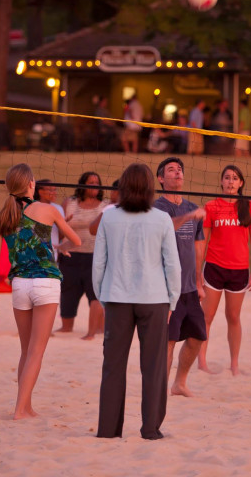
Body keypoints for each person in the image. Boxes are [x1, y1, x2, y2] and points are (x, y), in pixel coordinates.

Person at [0, 163, 81, 420]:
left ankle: (25, 406)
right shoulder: (47, 210)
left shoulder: (1, 216)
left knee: (26, 351)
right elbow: (78, 240)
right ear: (30, 184)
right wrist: (59, 246)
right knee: (36, 352)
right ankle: (19, 411)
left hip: (19, 286)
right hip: (45, 282)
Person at [93, 163, 181, 440]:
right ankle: (151, 429)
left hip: (117, 298)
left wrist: (103, 297)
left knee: (113, 366)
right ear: (151, 187)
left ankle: (108, 430)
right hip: (154, 300)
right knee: (154, 367)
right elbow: (172, 266)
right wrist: (172, 301)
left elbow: (99, 264)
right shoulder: (162, 218)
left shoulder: (109, 217)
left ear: (123, 187)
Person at [198, 165, 251, 376]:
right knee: (207, 316)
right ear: (221, 182)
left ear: (241, 183)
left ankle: (234, 364)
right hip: (214, 267)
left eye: (235, 178)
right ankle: (202, 361)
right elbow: (203, 241)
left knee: (233, 317)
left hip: (239, 269)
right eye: (227, 178)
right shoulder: (211, 206)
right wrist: (198, 271)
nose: (231, 182)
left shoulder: (250, 207)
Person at [154, 157, 208, 396]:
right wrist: (189, 217)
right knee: (168, 341)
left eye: (179, 169)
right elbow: (165, 227)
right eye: (171, 170)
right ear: (161, 179)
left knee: (197, 336)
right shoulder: (157, 208)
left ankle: (179, 383)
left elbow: (198, 246)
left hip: (189, 287)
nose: (177, 172)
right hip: (166, 287)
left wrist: (199, 280)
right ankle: (159, 389)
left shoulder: (191, 206)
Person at [57, 171, 109, 339]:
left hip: (95, 256)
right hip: (70, 256)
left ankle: (95, 330)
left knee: (96, 294)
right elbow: (59, 232)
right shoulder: (69, 203)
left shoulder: (105, 206)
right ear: (82, 185)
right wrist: (63, 224)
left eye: (97, 182)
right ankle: (66, 327)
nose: (94, 185)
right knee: (68, 293)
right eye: (90, 182)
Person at [33, 179, 65, 260]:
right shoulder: (32, 207)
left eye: (55, 190)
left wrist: (63, 226)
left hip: (52, 255)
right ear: (40, 192)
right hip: (34, 254)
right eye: (51, 190)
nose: (54, 192)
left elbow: (61, 235)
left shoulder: (58, 208)